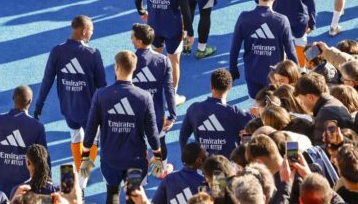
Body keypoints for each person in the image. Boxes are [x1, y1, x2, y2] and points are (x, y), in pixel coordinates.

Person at [81, 51, 162, 204]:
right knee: (133, 195)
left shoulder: (101, 95)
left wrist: (85, 156)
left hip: (110, 159)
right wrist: (158, 156)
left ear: (116, 67)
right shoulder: (144, 97)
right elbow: (152, 132)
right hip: (135, 160)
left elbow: (90, 129)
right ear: (135, 67)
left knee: (112, 193)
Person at [34, 15, 106, 174]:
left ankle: (80, 171)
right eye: (92, 31)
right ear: (85, 31)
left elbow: (47, 80)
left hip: (68, 109)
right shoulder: (93, 54)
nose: (92, 34)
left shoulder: (57, 51)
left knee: (75, 137)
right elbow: (102, 86)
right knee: (93, 142)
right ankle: (84, 175)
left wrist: (39, 104)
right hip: (90, 111)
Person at [135, 0, 192, 104]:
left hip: (153, 26)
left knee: (153, 58)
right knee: (174, 61)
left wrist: (142, 12)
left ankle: (150, 91)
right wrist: (190, 31)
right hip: (173, 27)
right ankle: (172, 96)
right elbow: (185, 7)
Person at [229, 0, 297, 99]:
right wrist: (297, 74)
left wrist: (233, 69)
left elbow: (234, 47)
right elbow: (290, 51)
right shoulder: (281, 20)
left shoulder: (244, 17)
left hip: (252, 72)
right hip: (275, 76)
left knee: (255, 106)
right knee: (275, 108)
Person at [0, 85, 47, 197]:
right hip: (28, 191)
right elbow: (44, 160)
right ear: (30, 101)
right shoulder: (37, 127)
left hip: (4, 190)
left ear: (13, 99)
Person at [130, 23, 177, 176]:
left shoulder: (129, 60)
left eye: (132, 36)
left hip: (133, 113)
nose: (131, 38)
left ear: (138, 42)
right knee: (159, 141)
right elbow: (169, 90)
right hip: (156, 113)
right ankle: (161, 171)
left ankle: (138, 179)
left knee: (138, 144)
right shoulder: (163, 60)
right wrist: (172, 115)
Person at [179, 69, 253, 158]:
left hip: (203, 166)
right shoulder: (237, 113)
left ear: (211, 86)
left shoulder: (194, 109)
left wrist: (187, 159)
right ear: (230, 87)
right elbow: (250, 135)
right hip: (228, 167)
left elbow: (183, 137)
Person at [294, 72, 352, 144]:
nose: (301, 103)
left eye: (301, 99)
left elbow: (323, 147)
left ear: (310, 97)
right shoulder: (332, 103)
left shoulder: (325, 114)